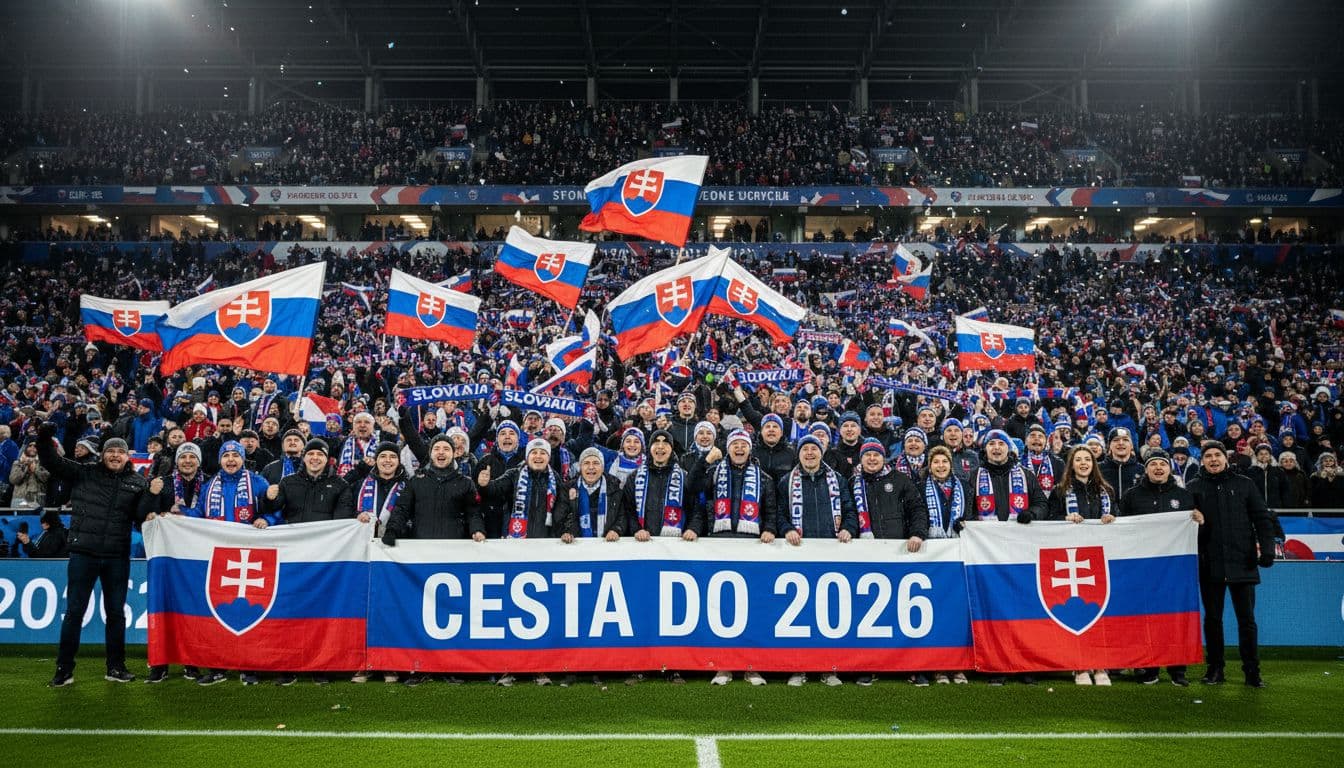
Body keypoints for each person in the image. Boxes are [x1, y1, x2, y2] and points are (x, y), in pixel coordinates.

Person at [35, 423, 155, 687]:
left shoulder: (137, 482)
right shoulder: (83, 473)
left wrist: (155, 497)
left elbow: (141, 516)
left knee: (116, 614)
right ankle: (63, 669)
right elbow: (52, 461)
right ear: (102, 454)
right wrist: (44, 438)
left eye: (120, 452)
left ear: (127, 457)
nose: (115, 455)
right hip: (83, 554)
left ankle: (116, 667)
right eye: (110, 451)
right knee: (74, 612)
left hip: (116, 556)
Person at [186, 440, 277, 686]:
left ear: (242, 459)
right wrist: (175, 516)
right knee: (218, 615)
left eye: (235, 455)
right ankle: (217, 667)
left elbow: (276, 509)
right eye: (226, 456)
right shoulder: (208, 486)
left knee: (249, 612)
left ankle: (249, 667)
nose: (231, 460)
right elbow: (198, 515)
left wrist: (267, 519)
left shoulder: (257, 482)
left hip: (250, 558)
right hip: (218, 559)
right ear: (219, 460)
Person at [1187, 441, 1276, 688]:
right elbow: (1184, 527)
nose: (1213, 459)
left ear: (1226, 458)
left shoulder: (1245, 484)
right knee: (1212, 620)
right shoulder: (1192, 487)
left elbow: (1262, 518)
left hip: (1243, 562)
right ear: (1202, 461)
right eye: (1208, 456)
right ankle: (1215, 669)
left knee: (1246, 620)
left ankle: (1252, 672)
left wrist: (1267, 549)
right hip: (1209, 565)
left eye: (1217, 455)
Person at [777, 434, 858, 687]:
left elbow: (850, 510)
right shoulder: (785, 482)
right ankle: (798, 667)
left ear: (822, 452)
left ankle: (828, 668)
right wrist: (786, 528)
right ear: (798, 454)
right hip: (797, 556)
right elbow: (777, 512)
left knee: (828, 615)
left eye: (814, 448)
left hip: (830, 555)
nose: (810, 453)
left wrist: (848, 528)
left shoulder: (838, 480)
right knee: (799, 620)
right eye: (805, 449)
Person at [1118, 449, 1201, 687]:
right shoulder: (1133, 495)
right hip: (1142, 570)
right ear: (1146, 469)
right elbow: (1122, 528)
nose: (1158, 468)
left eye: (1162, 464)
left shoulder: (1184, 496)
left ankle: (1178, 670)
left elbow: (1194, 530)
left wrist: (1198, 521)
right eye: (1153, 464)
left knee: (1175, 619)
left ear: (1169, 468)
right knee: (1146, 619)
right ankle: (1149, 668)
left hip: (1174, 571)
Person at [851, 437, 929, 685]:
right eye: (867, 455)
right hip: (866, 557)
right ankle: (870, 665)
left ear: (884, 457)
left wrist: (918, 533)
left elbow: (918, 509)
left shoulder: (900, 480)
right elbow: (846, 513)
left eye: (876, 454)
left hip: (899, 557)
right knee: (869, 616)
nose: (871, 459)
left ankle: (912, 667)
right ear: (861, 459)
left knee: (904, 614)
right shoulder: (852, 483)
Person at [1046, 445, 1116, 686]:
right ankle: (1080, 666)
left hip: (1100, 559)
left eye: (1088, 459)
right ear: (1071, 464)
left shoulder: (1106, 490)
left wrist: (1111, 518)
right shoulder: (1060, 491)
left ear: (1094, 463)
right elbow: (1046, 519)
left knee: (1100, 614)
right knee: (1077, 614)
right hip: (1071, 559)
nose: (1084, 463)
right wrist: (1064, 518)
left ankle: (1100, 664)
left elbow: (1119, 518)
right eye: (1079, 460)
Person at [143, 442, 210, 683]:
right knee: (164, 606)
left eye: (192, 457)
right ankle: (159, 664)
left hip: (198, 557)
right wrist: (152, 500)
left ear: (199, 461)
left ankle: (192, 662)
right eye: (184, 457)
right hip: (168, 556)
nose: (188, 461)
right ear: (177, 461)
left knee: (194, 609)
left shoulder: (210, 484)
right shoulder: (163, 482)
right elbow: (143, 512)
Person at [921, 445, 972, 685]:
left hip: (958, 553)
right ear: (929, 466)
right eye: (936, 462)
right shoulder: (921, 487)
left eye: (944, 462)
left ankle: (957, 664)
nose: (940, 466)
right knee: (934, 609)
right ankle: (938, 666)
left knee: (957, 611)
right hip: (930, 555)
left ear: (951, 465)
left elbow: (971, 516)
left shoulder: (964, 488)